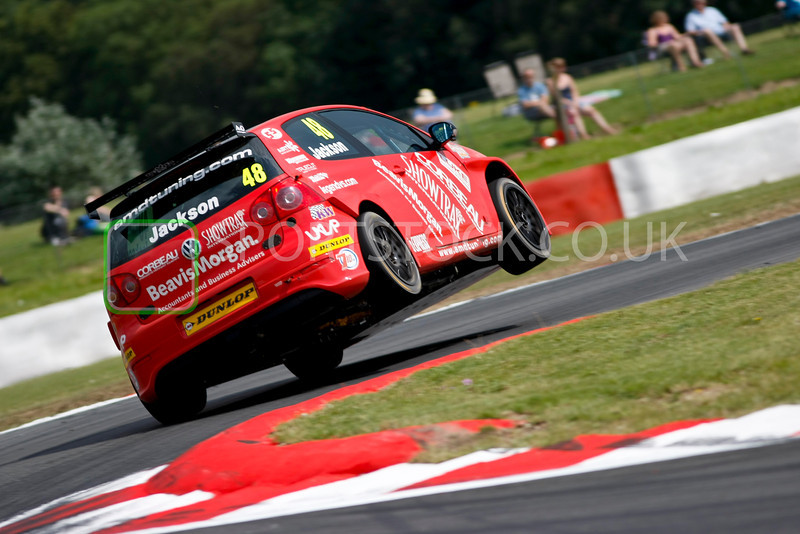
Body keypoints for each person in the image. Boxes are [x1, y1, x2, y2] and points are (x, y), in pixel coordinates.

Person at [546, 57, 618, 139]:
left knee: (591, 110)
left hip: (573, 101)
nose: (561, 69)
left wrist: (575, 102)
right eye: (558, 67)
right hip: (562, 104)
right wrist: (570, 104)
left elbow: (574, 91)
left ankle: (607, 129)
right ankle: (584, 135)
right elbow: (557, 98)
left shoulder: (567, 77)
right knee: (574, 112)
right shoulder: (550, 82)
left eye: (562, 67)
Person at [684, 0, 755, 58]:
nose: (700, 4)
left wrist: (726, 25)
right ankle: (726, 52)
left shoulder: (712, 10)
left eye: (702, 2)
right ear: (694, 4)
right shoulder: (691, 16)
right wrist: (700, 32)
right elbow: (690, 31)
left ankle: (744, 49)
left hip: (720, 31)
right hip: (705, 36)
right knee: (708, 31)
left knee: (735, 26)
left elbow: (724, 22)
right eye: (698, 3)